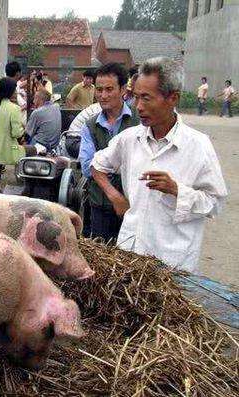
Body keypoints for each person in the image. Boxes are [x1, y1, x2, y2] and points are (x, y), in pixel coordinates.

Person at [91, 57, 227, 272]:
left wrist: (176, 190)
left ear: (173, 98)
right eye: (135, 98)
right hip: (130, 253)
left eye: (146, 98)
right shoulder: (129, 139)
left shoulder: (198, 146)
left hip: (172, 262)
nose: (139, 107)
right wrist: (115, 197)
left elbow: (215, 202)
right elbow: (97, 165)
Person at [79, 63, 140, 242]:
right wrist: (114, 195)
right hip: (100, 204)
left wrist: (105, 166)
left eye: (109, 89)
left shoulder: (139, 121)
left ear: (122, 89)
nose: (103, 95)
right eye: (99, 90)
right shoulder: (90, 125)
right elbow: (87, 167)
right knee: (103, 255)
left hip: (135, 204)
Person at [0, 78, 43, 192]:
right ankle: (28, 182)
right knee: (33, 150)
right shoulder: (14, 108)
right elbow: (16, 133)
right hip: (3, 151)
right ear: (12, 92)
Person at [25, 88, 62, 152]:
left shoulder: (37, 112)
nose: (33, 101)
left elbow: (27, 134)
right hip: (55, 145)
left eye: (34, 99)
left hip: (41, 144)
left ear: (39, 100)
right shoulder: (56, 107)